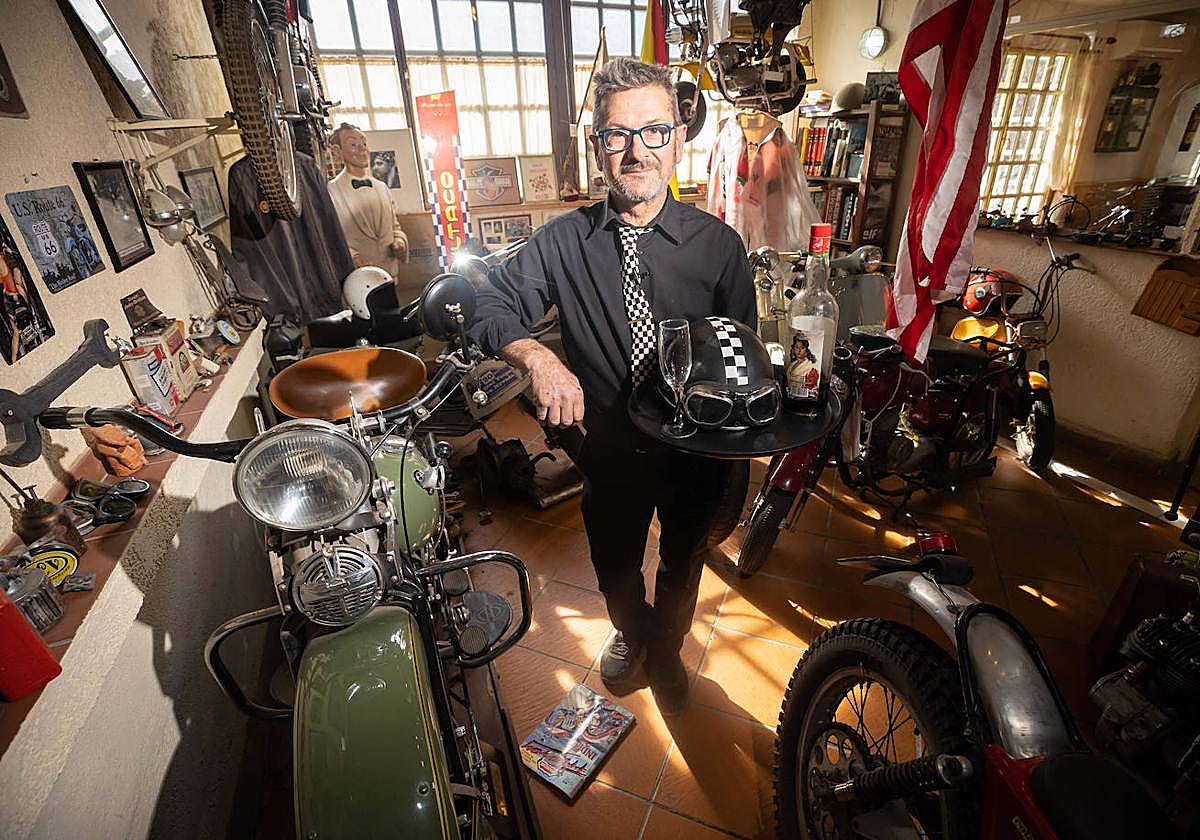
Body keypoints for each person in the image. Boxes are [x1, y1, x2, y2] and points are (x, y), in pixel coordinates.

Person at [470, 58, 754, 714]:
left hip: (695, 452)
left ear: (677, 141)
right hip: (609, 449)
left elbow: (741, 353)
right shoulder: (562, 243)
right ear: (598, 147)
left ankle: (668, 646)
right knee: (617, 564)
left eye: (653, 131)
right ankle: (635, 633)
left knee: (684, 564)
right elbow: (490, 310)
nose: (635, 151)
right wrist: (537, 359)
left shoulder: (720, 247)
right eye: (616, 135)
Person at [327, 123, 409, 280]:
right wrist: (352, 257)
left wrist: (399, 241)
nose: (362, 149)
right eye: (353, 144)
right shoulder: (333, 190)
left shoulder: (382, 187)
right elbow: (331, 235)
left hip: (389, 273)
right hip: (358, 279)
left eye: (364, 143)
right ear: (337, 151)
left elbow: (394, 226)